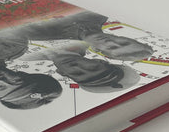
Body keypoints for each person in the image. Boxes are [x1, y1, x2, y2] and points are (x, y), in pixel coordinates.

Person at [19, 11, 153, 61]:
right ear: (125, 37)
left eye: (112, 48)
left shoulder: (39, 34)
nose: (111, 42)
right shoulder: (100, 14)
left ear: (98, 50)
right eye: (123, 43)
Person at [23, 42, 141, 93]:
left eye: (77, 74)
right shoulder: (83, 38)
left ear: (61, 73)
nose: (77, 67)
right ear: (99, 61)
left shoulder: (22, 57)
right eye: (93, 68)